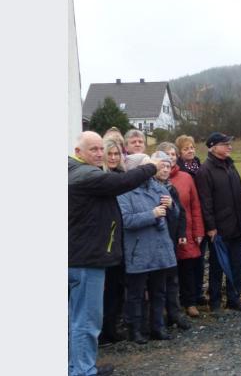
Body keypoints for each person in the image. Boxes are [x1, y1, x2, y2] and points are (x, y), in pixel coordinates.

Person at [69, 131, 160, 376]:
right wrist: (150, 167)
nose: (100, 154)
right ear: (78, 152)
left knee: (76, 318)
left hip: (79, 257)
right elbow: (120, 183)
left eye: (102, 148)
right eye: (93, 150)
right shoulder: (85, 174)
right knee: (86, 321)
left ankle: (76, 366)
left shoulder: (75, 171)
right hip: (86, 259)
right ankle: (82, 370)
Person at [118, 153, 180, 344]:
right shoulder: (124, 192)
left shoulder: (159, 188)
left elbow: (175, 215)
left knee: (158, 291)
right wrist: (151, 214)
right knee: (136, 295)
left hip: (160, 248)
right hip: (139, 250)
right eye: (146, 166)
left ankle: (157, 327)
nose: (150, 170)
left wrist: (172, 206)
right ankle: (135, 330)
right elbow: (125, 220)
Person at [195, 132, 241, 313]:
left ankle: (234, 299)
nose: (229, 147)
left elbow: (240, 192)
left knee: (237, 264)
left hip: (236, 225)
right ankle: (216, 301)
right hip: (219, 228)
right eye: (225, 144)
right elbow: (205, 202)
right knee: (217, 266)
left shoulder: (230, 166)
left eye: (229, 144)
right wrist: (210, 227)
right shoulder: (205, 170)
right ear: (213, 147)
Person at [159, 142, 205, 318]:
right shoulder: (155, 178)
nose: (170, 157)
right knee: (167, 272)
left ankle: (190, 302)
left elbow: (195, 206)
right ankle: (167, 305)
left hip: (186, 229)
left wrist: (198, 230)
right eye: (166, 154)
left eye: (172, 154)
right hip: (164, 232)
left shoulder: (186, 177)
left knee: (188, 268)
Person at [151, 146, 192, 331]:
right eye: (162, 167)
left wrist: (182, 233)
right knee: (156, 282)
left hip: (170, 239)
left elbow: (181, 213)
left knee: (172, 279)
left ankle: (174, 313)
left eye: (168, 167)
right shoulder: (149, 188)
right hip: (153, 241)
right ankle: (157, 318)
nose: (166, 170)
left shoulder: (170, 189)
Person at [98, 139, 127, 347]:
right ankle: (101, 331)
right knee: (104, 288)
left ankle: (112, 327)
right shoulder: (101, 179)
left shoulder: (123, 178)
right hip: (105, 241)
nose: (114, 158)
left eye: (117, 154)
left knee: (117, 287)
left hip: (122, 239)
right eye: (111, 154)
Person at [174, 134, 207, 307]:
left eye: (192, 147)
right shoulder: (179, 170)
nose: (190, 151)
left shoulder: (199, 166)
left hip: (199, 216)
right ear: (179, 152)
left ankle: (197, 292)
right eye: (186, 148)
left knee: (199, 259)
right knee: (185, 262)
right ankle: (186, 296)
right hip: (185, 220)